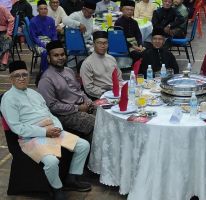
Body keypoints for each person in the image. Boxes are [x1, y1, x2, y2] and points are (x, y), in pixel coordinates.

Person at [1, 61, 92, 200]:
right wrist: (44, 132)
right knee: (51, 162)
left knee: (83, 145)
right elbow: (17, 128)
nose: (21, 78)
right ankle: (57, 189)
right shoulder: (8, 99)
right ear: (10, 78)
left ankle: (72, 178)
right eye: (17, 75)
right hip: (30, 137)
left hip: (52, 130)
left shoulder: (34, 93)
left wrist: (57, 128)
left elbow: (49, 114)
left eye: (24, 75)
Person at [38, 41, 95, 142]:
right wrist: (78, 108)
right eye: (56, 55)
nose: (60, 58)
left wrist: (87, 100)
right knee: (95, 122)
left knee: (105, 114)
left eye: (62, 54)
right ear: (48, 58)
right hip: (64, 115)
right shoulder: (46, 79)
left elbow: (79, 90)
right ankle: (92, 153)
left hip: (82, 106)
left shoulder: (69, 70)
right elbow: (52, 106)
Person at [80, 31, 122, 99]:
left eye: (105, 43)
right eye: (99, 43)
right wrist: (106, 93)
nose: (102, 46)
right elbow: (89, 88)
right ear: (94, 44)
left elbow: (119, 78)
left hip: (117, 92)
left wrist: (121, 89)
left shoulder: (111, 58)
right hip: (101, 96)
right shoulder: (87, 63)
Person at [29, 0, 58, 73]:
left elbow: (54, 34)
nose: (43, 11)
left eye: (45, 9)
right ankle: (44, 72)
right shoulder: (33, 21)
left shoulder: (51, 20)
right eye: (41, 9)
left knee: (59, 50)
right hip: (38, 43)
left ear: (47, 9)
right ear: (37, 10)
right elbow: (34, 37)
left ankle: (56, 70)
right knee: (45, 52)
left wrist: (55, 44)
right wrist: (44, 45)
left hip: (49, 41)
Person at [0, 5, 14, 71]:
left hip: (5, 30)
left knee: (6, 41)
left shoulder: (2, 8)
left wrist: (8, 33)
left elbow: (11, 20)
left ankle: (4, 63)